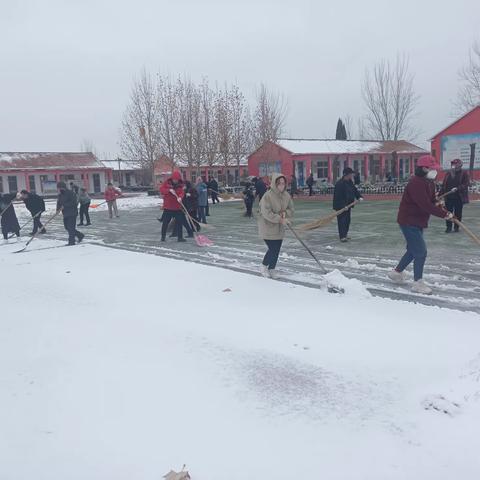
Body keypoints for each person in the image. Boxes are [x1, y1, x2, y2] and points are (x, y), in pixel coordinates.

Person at [387, 155, 453, 295]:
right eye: (432, 169)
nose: (434, 171)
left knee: (413, 250)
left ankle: (396, 273)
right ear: (423, 168)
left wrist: (439, 205)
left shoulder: (429, 182)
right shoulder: (416, 183)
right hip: (409, 221)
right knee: (421, 252)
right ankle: (418, 283)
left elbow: (431, 200)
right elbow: (424, 204)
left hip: (418, 221)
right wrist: (444, 215)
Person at [258, 173, 294, 279]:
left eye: (283, 183)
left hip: (279, 228)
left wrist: (285, 213)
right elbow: (266, 213)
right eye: (279, 184)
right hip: (267, 226)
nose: (281, 186)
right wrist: (280, 219)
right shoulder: (267, 196)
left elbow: (291, 209)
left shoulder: (286, 196)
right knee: (273, 249)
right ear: (274, 184)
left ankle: (272, 268)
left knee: (277, 249)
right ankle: (264, 266)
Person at [439, 158, 470, 233]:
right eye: (453, 164)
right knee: (448, 213)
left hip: (458, 197)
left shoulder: (464, 173)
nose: (454, 165)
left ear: (460, 165)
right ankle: (448, 227)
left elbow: (466, 184)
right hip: (449, 197)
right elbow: (444, 185)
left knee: (458, 213)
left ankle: (456, 227)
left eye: (456, 163)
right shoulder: (448, 173)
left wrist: (457, 188)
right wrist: (440, 194)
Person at [333, 167, 363, 242]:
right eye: (350, 174)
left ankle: (345, 235)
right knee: (342, 221)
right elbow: (338, 197)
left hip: (348, 205)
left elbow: (354, 190)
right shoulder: (340, 184)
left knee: (347, 221)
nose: (352, 175)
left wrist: (359, 196)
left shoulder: (350, 182)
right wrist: (343, 206)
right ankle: (342, 236)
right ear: (346, 174)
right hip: (340, 206)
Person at [159, 171, 186, 242]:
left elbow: (182, 193)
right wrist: (169, 190)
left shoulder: (181, 185)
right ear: (172, 178)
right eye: (174, 179)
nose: (175, 181)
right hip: (168, 207)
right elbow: (161, 190)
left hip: (177, 208)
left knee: (180, 222)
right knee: (165, 222)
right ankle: (163, 237)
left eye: (177, 180)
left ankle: (180, 237)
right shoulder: (167, 183)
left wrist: (180, 197)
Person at [56, 181, 84, 246]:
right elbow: (59, 203)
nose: (58, 190)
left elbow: (74, 202)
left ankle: (71, 242)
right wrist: (57, 210)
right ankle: (80, 235)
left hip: (72, 213)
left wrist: (65, 205)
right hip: (65, 213)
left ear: (62, 188)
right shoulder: (60, 195)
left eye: (59, 188)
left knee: (71, 227)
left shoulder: (71, 193)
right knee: (67, 227)